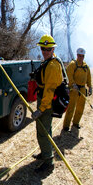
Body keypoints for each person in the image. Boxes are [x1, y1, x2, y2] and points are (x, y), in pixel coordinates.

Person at [31, 34, 63, 174]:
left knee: (43, 133)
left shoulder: (52, 66)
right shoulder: (48, 62)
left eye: (48, 49)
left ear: (53, 49)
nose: (45, 51)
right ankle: (45, 153)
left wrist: (41, 109)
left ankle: (49, 162)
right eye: (43, 48)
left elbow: (49, 90)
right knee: (45, 129)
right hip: (43, 98)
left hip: (47, 102)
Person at [62, 47, 92, 131]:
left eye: (82, 56)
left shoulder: (86, 67)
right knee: (71, 108)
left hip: (82, 90)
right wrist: (73, 84)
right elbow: (69, 75)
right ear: (77, 55)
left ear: (84, 56)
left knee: (80, 108)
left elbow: (88, 77)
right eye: (79, 55)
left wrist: (90, 87)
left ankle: (76, 123)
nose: (80, 57)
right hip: (74, 90)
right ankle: (66, 125)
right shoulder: (72, 65)